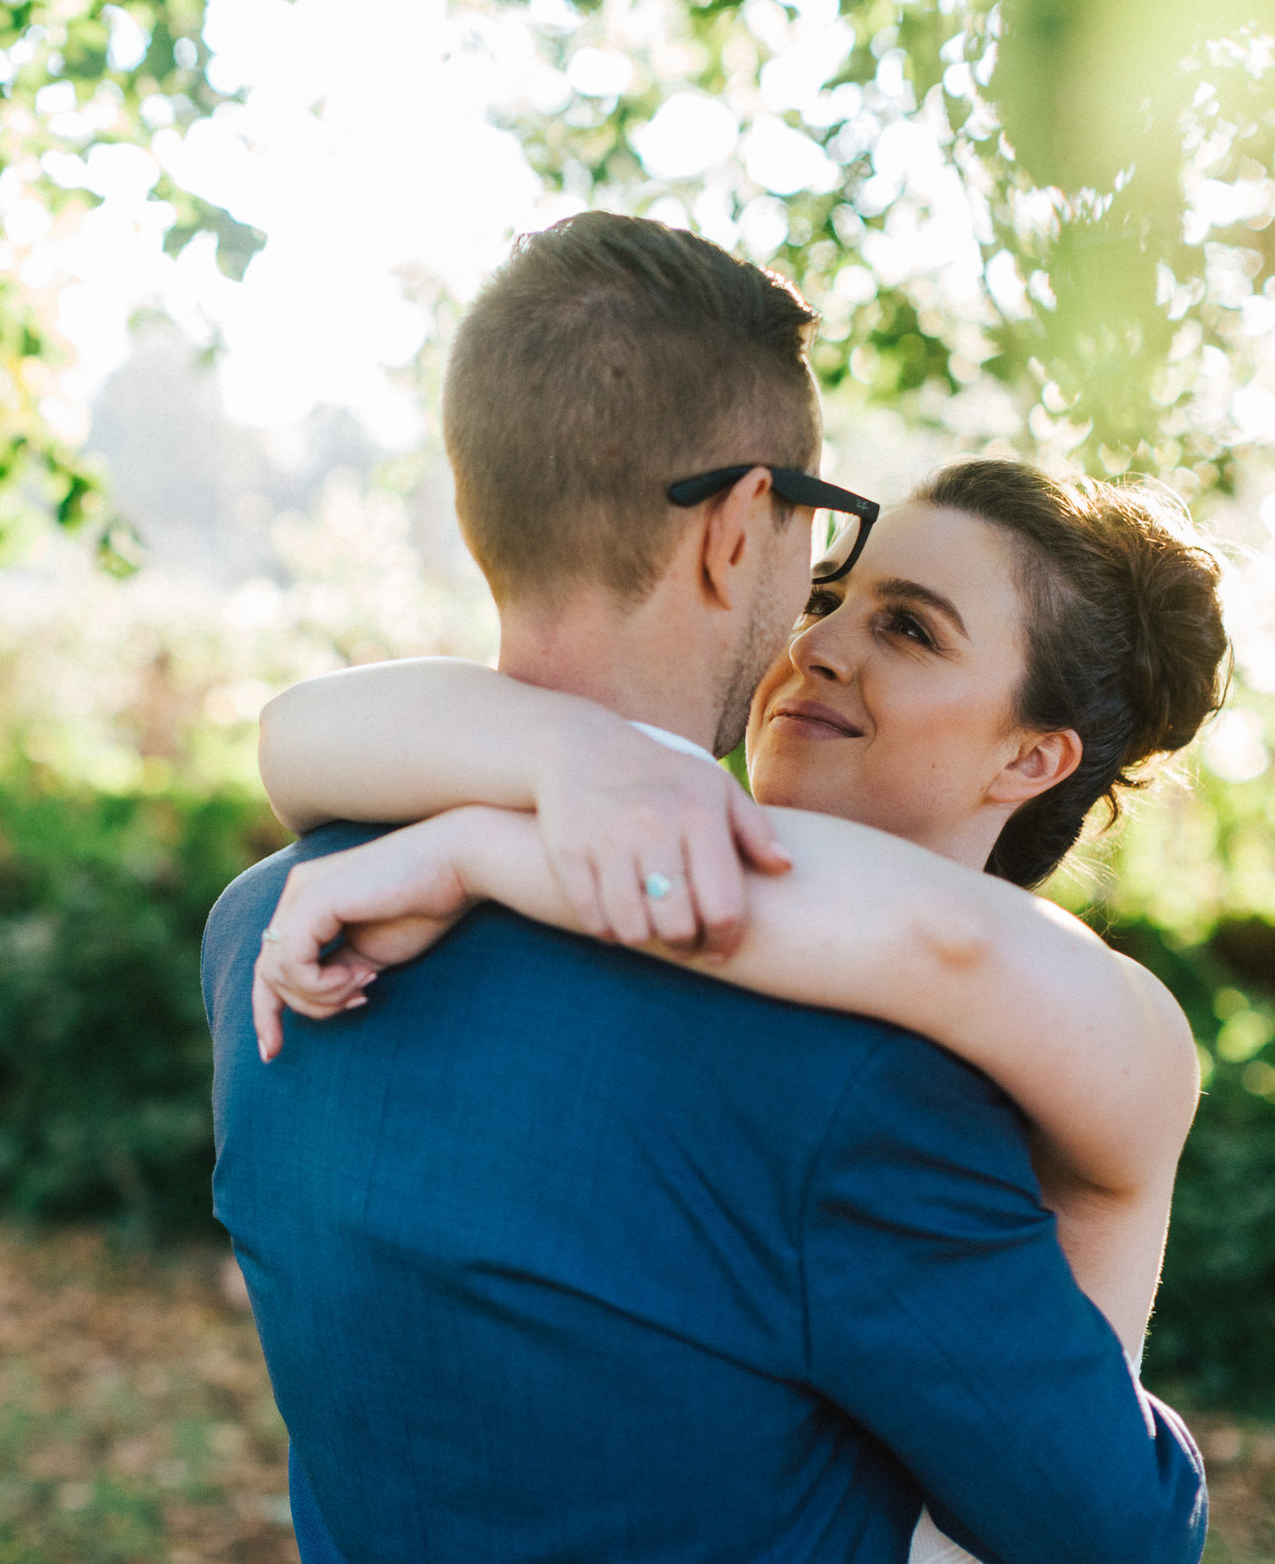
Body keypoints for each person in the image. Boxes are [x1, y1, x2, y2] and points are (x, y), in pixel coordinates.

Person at [200, 210, 1216, 1563]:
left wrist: (479, 840)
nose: (825, 639)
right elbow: (1119, 1537)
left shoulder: (274, 923)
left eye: (907, 625)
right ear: (745, 528)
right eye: (826, 559)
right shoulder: (849, 1084)